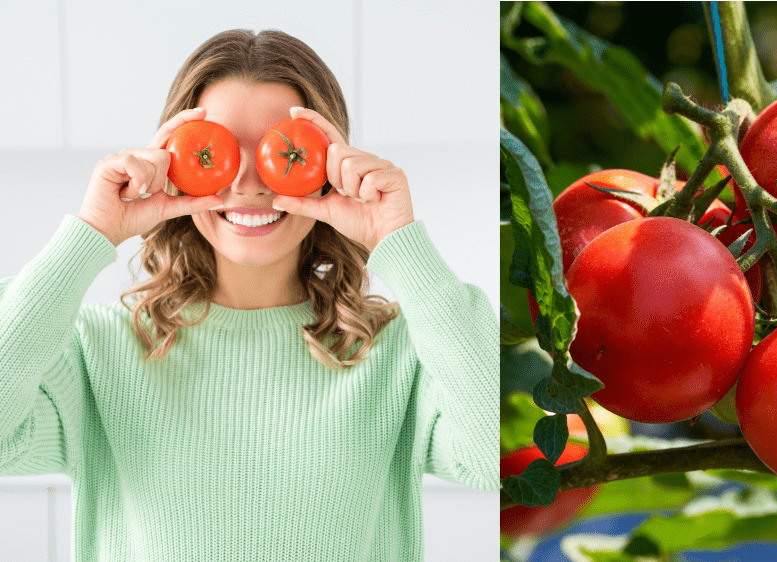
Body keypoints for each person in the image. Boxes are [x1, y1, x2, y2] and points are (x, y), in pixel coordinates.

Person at [0, 29, 498, 561]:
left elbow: (491, 456)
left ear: (332, 167)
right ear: (171, 162)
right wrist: (91, 232)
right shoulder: (100, 349)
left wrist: (399, 240)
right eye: (214, 151)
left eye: (282, 151)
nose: (249, 183)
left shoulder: (396, 350)